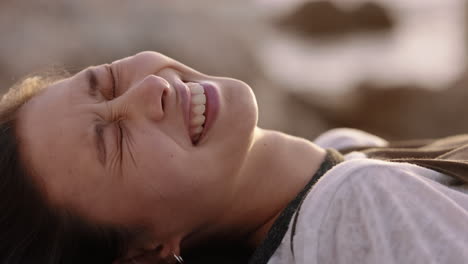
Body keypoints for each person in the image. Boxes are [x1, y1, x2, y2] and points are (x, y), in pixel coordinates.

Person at [0, 51, 467, 264]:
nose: (151, 88)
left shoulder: (341, 156)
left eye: (107, 81)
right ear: (145, 252)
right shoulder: (357, 207)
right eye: (115, 142)